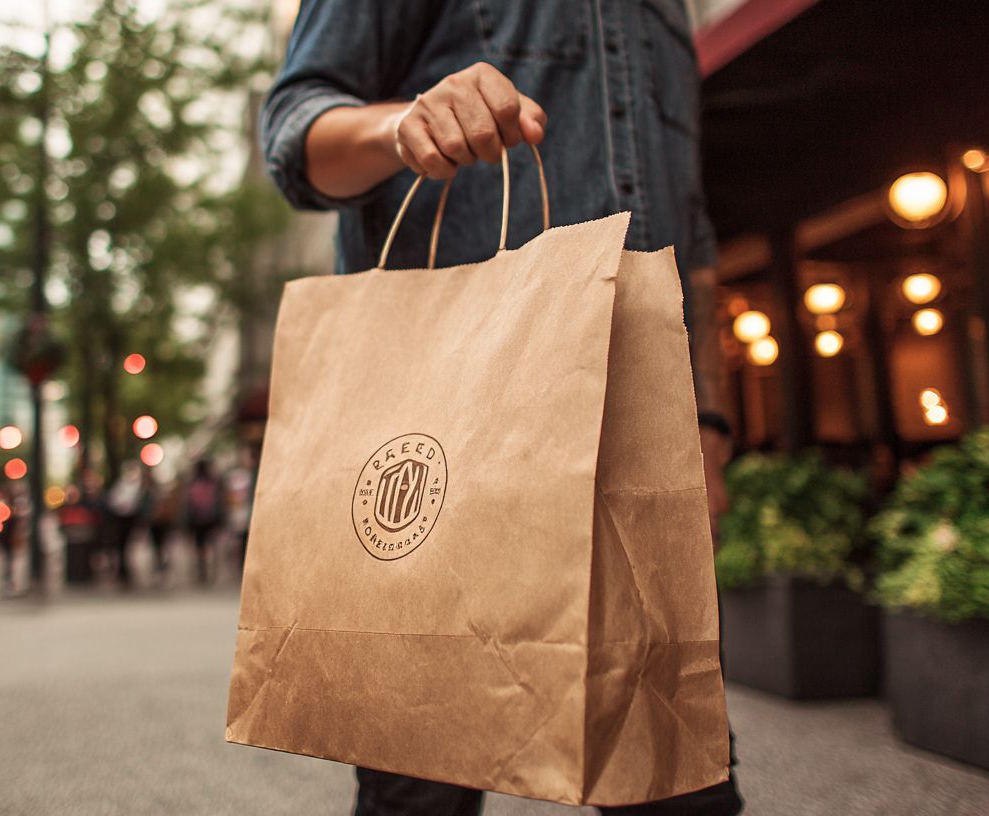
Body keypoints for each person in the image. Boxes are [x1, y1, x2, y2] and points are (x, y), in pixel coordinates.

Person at [261, 2, 740, 813]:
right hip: (442, 426)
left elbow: (688, 230)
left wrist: (710, 425)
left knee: (679, 785)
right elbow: (296, 134)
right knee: (421, 786)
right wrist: (404, 126)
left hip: (637, 426)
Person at [185, 461, 223, 586]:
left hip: (198, 520)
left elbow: (189, 504)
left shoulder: (193, 482)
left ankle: (203, 570)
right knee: (211, 545)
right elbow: (218, 501)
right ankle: (210, 570)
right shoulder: (213, 482)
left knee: (200, 547)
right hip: (210, 518)